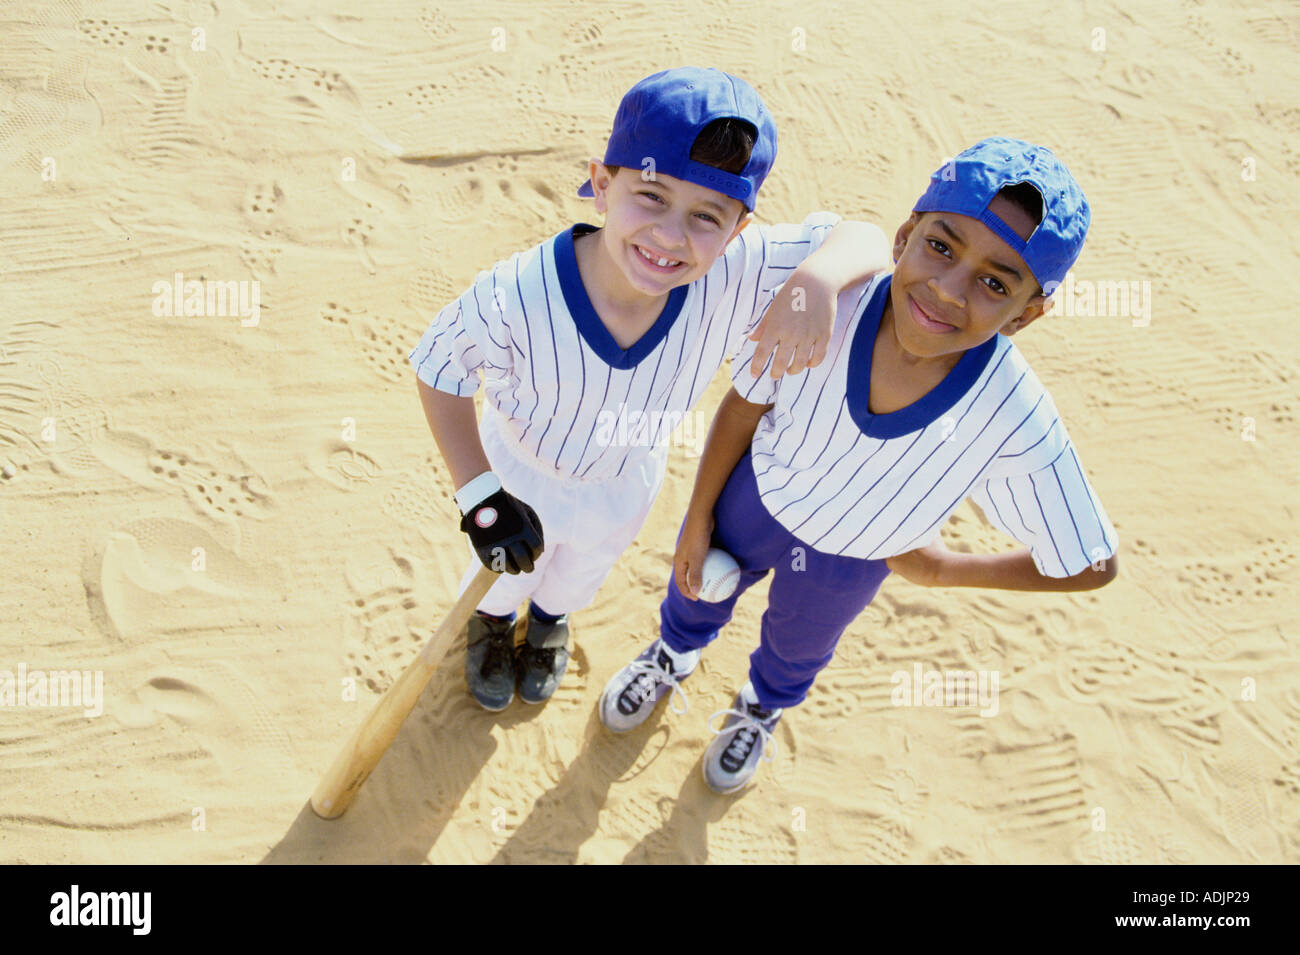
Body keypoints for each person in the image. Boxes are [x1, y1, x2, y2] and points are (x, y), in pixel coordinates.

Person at [598, 137, 1120, 794]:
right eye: (941, 245)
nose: (948, 289)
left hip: (855, 556)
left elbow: (1091, 562)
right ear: (905, 235)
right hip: (758, 496)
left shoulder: (1012, 417)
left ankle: (759, 707)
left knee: (797, 650)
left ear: (1028, 314)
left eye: (994, 283)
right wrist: (698, 516)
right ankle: (672, 654)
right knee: (696, 589)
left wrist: (940, 568)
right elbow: (743, 405)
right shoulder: (827, 304)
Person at [407, 67, 890, 711]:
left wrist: (817, 283)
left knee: (579, 573)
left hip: (625, 477)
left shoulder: (737, 271)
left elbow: (866, 238)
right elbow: (439, 369)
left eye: (706, 217)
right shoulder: (516, 295)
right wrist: (480, 494)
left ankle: (550, 622)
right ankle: (492, 626)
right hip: (518, 471)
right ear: (603, 183)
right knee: (498, 581)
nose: (670, 237)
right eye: (652, 197)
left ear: (739, 230)